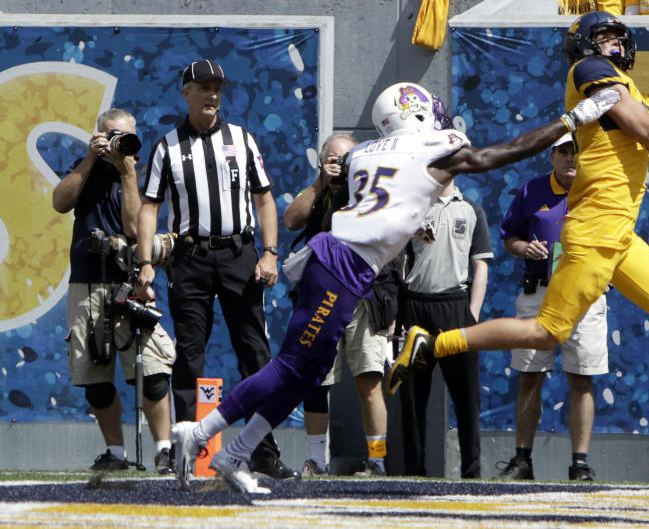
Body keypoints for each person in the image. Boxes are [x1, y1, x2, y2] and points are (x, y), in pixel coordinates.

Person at [169, 81, 622, 494]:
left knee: (306, 373)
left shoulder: (364, 151)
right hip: (341, 266)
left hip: (341, 263)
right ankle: (201, 433)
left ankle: (233, 455)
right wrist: (571, 119)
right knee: (290, 367)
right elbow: (501, 154)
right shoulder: (432, 145)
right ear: (415, 112)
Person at [387, 11, 649, 471]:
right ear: (585, 46)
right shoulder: (590, 74)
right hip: (596, 229)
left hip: (619, 233)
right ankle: (433, 343)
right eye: (602, 37)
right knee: (544, 333)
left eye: (616, 36)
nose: (613, 44)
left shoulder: (628, 91)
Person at [137, 59, 296, 482]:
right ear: (185, 92)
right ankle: (188, 451)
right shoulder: (167, 146)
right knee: (189, 354)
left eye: (218, 88)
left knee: (255, 355)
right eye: (204, 87)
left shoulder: (241, 140)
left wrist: (270, 252)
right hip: (189, 257)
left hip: (239, 255)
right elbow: (150, 206)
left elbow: (264, 198)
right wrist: (146, 261)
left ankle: (262, 448)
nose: (212, 95)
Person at [52, 108, 175, 474]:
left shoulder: (140, 172)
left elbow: (135, 229)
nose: (119, 143)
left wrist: (129, 172)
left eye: (125, 136)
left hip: (129, 279)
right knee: (95, 377)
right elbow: (60, 203)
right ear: (99, 137)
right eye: (112, 136)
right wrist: (91, 158)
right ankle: (116, 454)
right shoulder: (84, 166)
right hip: (87, 281)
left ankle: (164, 451)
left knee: (151, 373)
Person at [496, 133, 609, 483]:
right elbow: (510, 237)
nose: (570, 158)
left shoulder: (600, 192)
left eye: (576, 152)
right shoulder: (531, 190)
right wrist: (524, 249)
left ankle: (580, 464)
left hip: (585, 297)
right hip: (539, 294)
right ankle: (522, 460)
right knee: (529, 377)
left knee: (581, 378)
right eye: (563, 151)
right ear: (552, 156)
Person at [283, 133, 397, 478]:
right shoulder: (318, 192)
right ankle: (316, 461)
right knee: (316, 381)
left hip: (367, 296)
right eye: (332, 160)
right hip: (322, 296)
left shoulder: (372, 193)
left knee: (369, 380)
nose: (339, 166)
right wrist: (321, 183)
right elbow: (291, 220)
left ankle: (376, 461)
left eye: (345, 160)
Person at [398, 180, 492, 479]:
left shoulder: (471, 210)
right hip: (416, 308)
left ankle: (471, 473)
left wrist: (472, 315)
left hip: (456, 309)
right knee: (413, 398)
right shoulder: (412, 208)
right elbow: (393, 259)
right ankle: (415, 473)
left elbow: (481, 267)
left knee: (466, 398)